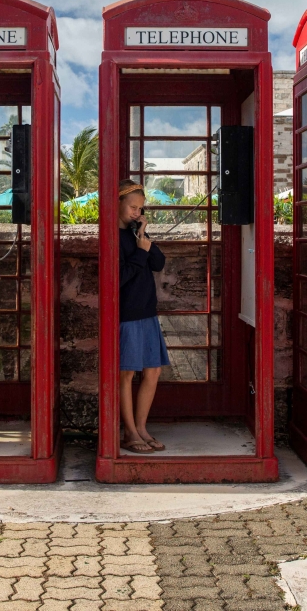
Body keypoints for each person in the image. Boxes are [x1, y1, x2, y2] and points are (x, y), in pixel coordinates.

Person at [119, 179, 170, 454]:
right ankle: (129, 432)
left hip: (147, 312)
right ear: (118, 205)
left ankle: (141, 427)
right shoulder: (113, 237)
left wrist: (143, 234)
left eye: (140, 208)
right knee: (125, 374)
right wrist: (140, 253)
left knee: (153, 371)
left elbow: (158, 262)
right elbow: (120, 278)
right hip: (126, 313)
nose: (136, 213)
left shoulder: (136, 234)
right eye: (132, 208)